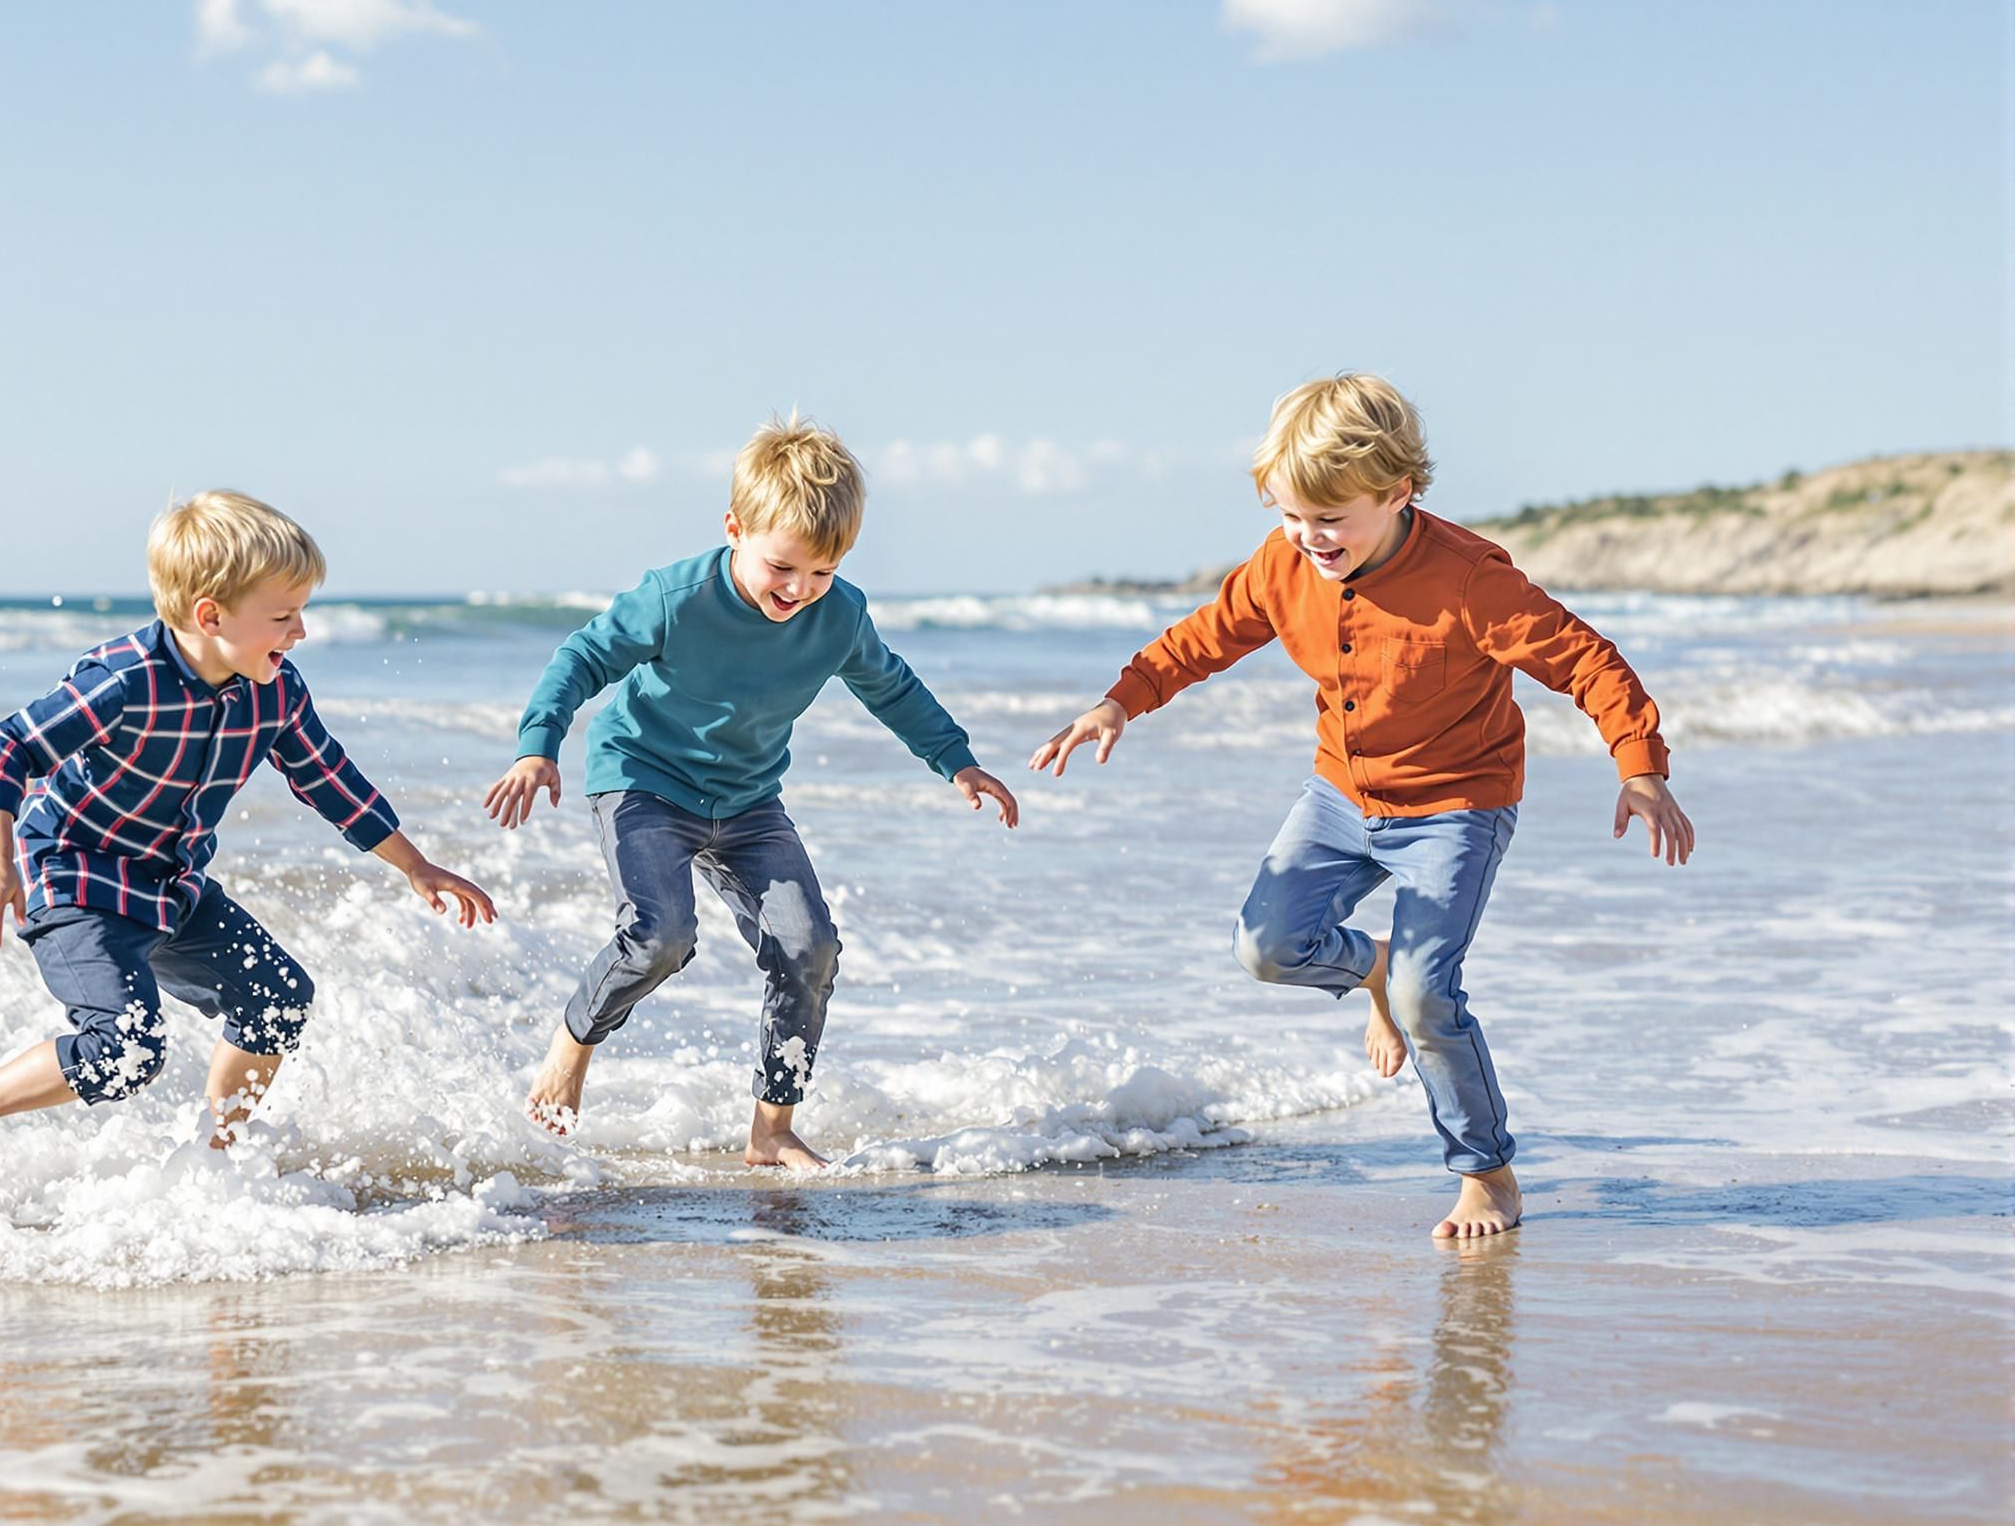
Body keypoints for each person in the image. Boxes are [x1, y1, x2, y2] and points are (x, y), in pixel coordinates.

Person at [1029, 375, 1695, 1239]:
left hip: (1458, 803)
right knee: (1264, 947)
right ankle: (1370, 967)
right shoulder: (1284, 563)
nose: (1308, 537)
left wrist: (1638, 764)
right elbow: (1203, 637)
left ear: (1397, 493)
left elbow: (1585, 660)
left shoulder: (1469, 580)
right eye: (1290, 514)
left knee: (1427, 995)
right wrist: (1122, 699)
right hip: (1342, 793)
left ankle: (1486, 1173)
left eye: (1331, 518)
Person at [0, 490, 496, 1215]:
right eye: (283, 616)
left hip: (169, 885)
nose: (302, 631)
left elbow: (327, 778)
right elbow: (8, 747)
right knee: (124, 1051)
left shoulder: (274, 690)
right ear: (210, 615)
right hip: (75, 876)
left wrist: (416, 865)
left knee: (280, 1000)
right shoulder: (126, 680)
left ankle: (213, 1164)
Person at [484, 417, 1020, 1170]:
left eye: (822, 574)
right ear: (735, 528)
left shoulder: (838, 617)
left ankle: (772, 1129)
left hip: (747, 800)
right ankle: (572, 1044)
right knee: (661, 934)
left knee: (810, 948)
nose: (800, 592)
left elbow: (892, 689)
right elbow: (582, 658)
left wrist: (955, 760)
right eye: (782, 569)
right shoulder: (675, 597)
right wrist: (537, 746)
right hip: (642, 780)